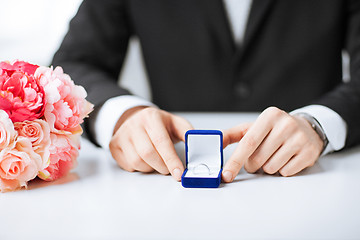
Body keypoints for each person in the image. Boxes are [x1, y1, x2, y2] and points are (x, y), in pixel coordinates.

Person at [52, 0, 360, 183]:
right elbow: (74, 62)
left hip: (316, 179)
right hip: (166, 187)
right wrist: (121, 114)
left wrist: (320, 125)